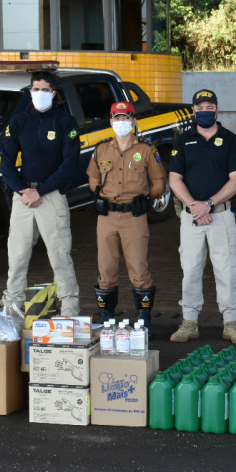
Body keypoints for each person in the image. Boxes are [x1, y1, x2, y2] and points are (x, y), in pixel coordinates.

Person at [167, 89, 236, 344]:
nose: (204, 112)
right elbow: (174, 179)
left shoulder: (231, 139)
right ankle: (189, 323)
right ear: (193, 110)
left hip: (221, 216)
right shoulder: (182, 140)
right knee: (190, 269)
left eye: (209, 107)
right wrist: (194, 205)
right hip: (191, 217)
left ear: (217, 109)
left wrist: (209, 204)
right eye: (199, 108)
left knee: (226, 270)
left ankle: (231, 323)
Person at [0, 71, 81, 317]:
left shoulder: (65, 122)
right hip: (23, 195)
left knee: (59, 255)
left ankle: (69, 308)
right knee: (17, 255)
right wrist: (22, 189)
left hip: (51, 194)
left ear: (54, 94)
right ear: (29, 92)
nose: (39, 94)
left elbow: (70, 165)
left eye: (45, 89)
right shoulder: (19, 122)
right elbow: (6, 162)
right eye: (35, 89)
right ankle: (11, 307)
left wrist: (41, 190)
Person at [87, 101, 167, 338]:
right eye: (117, 118)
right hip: (107, 217)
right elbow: (93, 180)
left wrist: (144, 199)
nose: (121, 123)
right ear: (111, 122)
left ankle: (143, 318)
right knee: (106, 268)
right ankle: (106, 317)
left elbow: (160, 184)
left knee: (139, 269)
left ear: (133, 121)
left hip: (134, 216)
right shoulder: (101, 149)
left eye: (126, 118)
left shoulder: (146, 149)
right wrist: (100, 196)